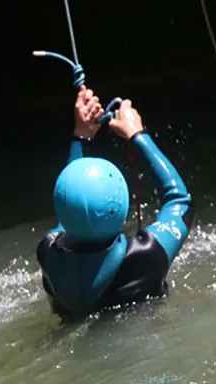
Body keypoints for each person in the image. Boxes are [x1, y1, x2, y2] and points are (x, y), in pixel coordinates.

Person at [36, 86, 194, 318]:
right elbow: (180, 201)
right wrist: (138, 135)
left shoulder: (48, 253)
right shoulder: (144, 257)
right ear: (119, 206)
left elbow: (70, 208)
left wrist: (81, 135)